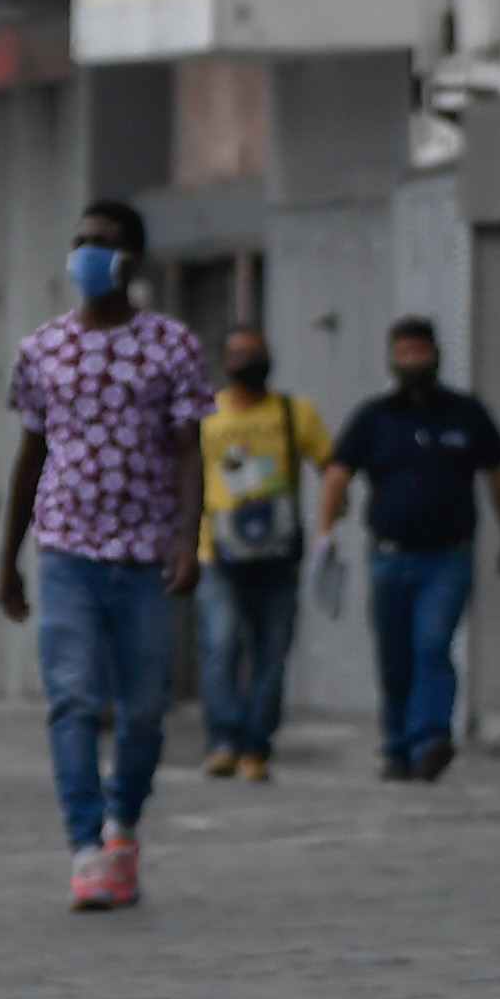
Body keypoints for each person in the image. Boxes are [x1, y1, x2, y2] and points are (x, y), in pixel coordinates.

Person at [0, 199, 206, 910]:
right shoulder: (41, 348)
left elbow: (188, 449)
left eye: (104, 243)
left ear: (133, 260)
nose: (88, 253)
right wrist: (8, 557)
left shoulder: (171, 345)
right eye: (80, 240)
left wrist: (186, 536)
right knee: (73, 699)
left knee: (144, 708)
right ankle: (86, 846)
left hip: (144, 550)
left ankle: (123, 822)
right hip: (64, 548)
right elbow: (29, 454)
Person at [321, 319, 500, 783]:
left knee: (432, 643)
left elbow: (497, 474)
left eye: (419, 351)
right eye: (403, 352)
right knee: (395, 655)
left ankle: (431, 738)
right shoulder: (374, 417)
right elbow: (337, 471)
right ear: (392, 357)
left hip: (447, 556)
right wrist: (326, 532)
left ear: (436, 353)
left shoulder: (466, 413)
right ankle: (397, 746)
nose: (412, 360)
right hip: (390, 556)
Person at [192, 325, 327, 780]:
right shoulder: (205, 416)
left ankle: (256, 746)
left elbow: (333, 466)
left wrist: (330, 521)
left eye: (254, 352)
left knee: (271, 653)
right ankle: (224, 738)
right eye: (237, 353)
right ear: (223, 362)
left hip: (277, 553)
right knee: (222, 643)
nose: (246, 360)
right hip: (217, 552)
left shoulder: (295, 413)